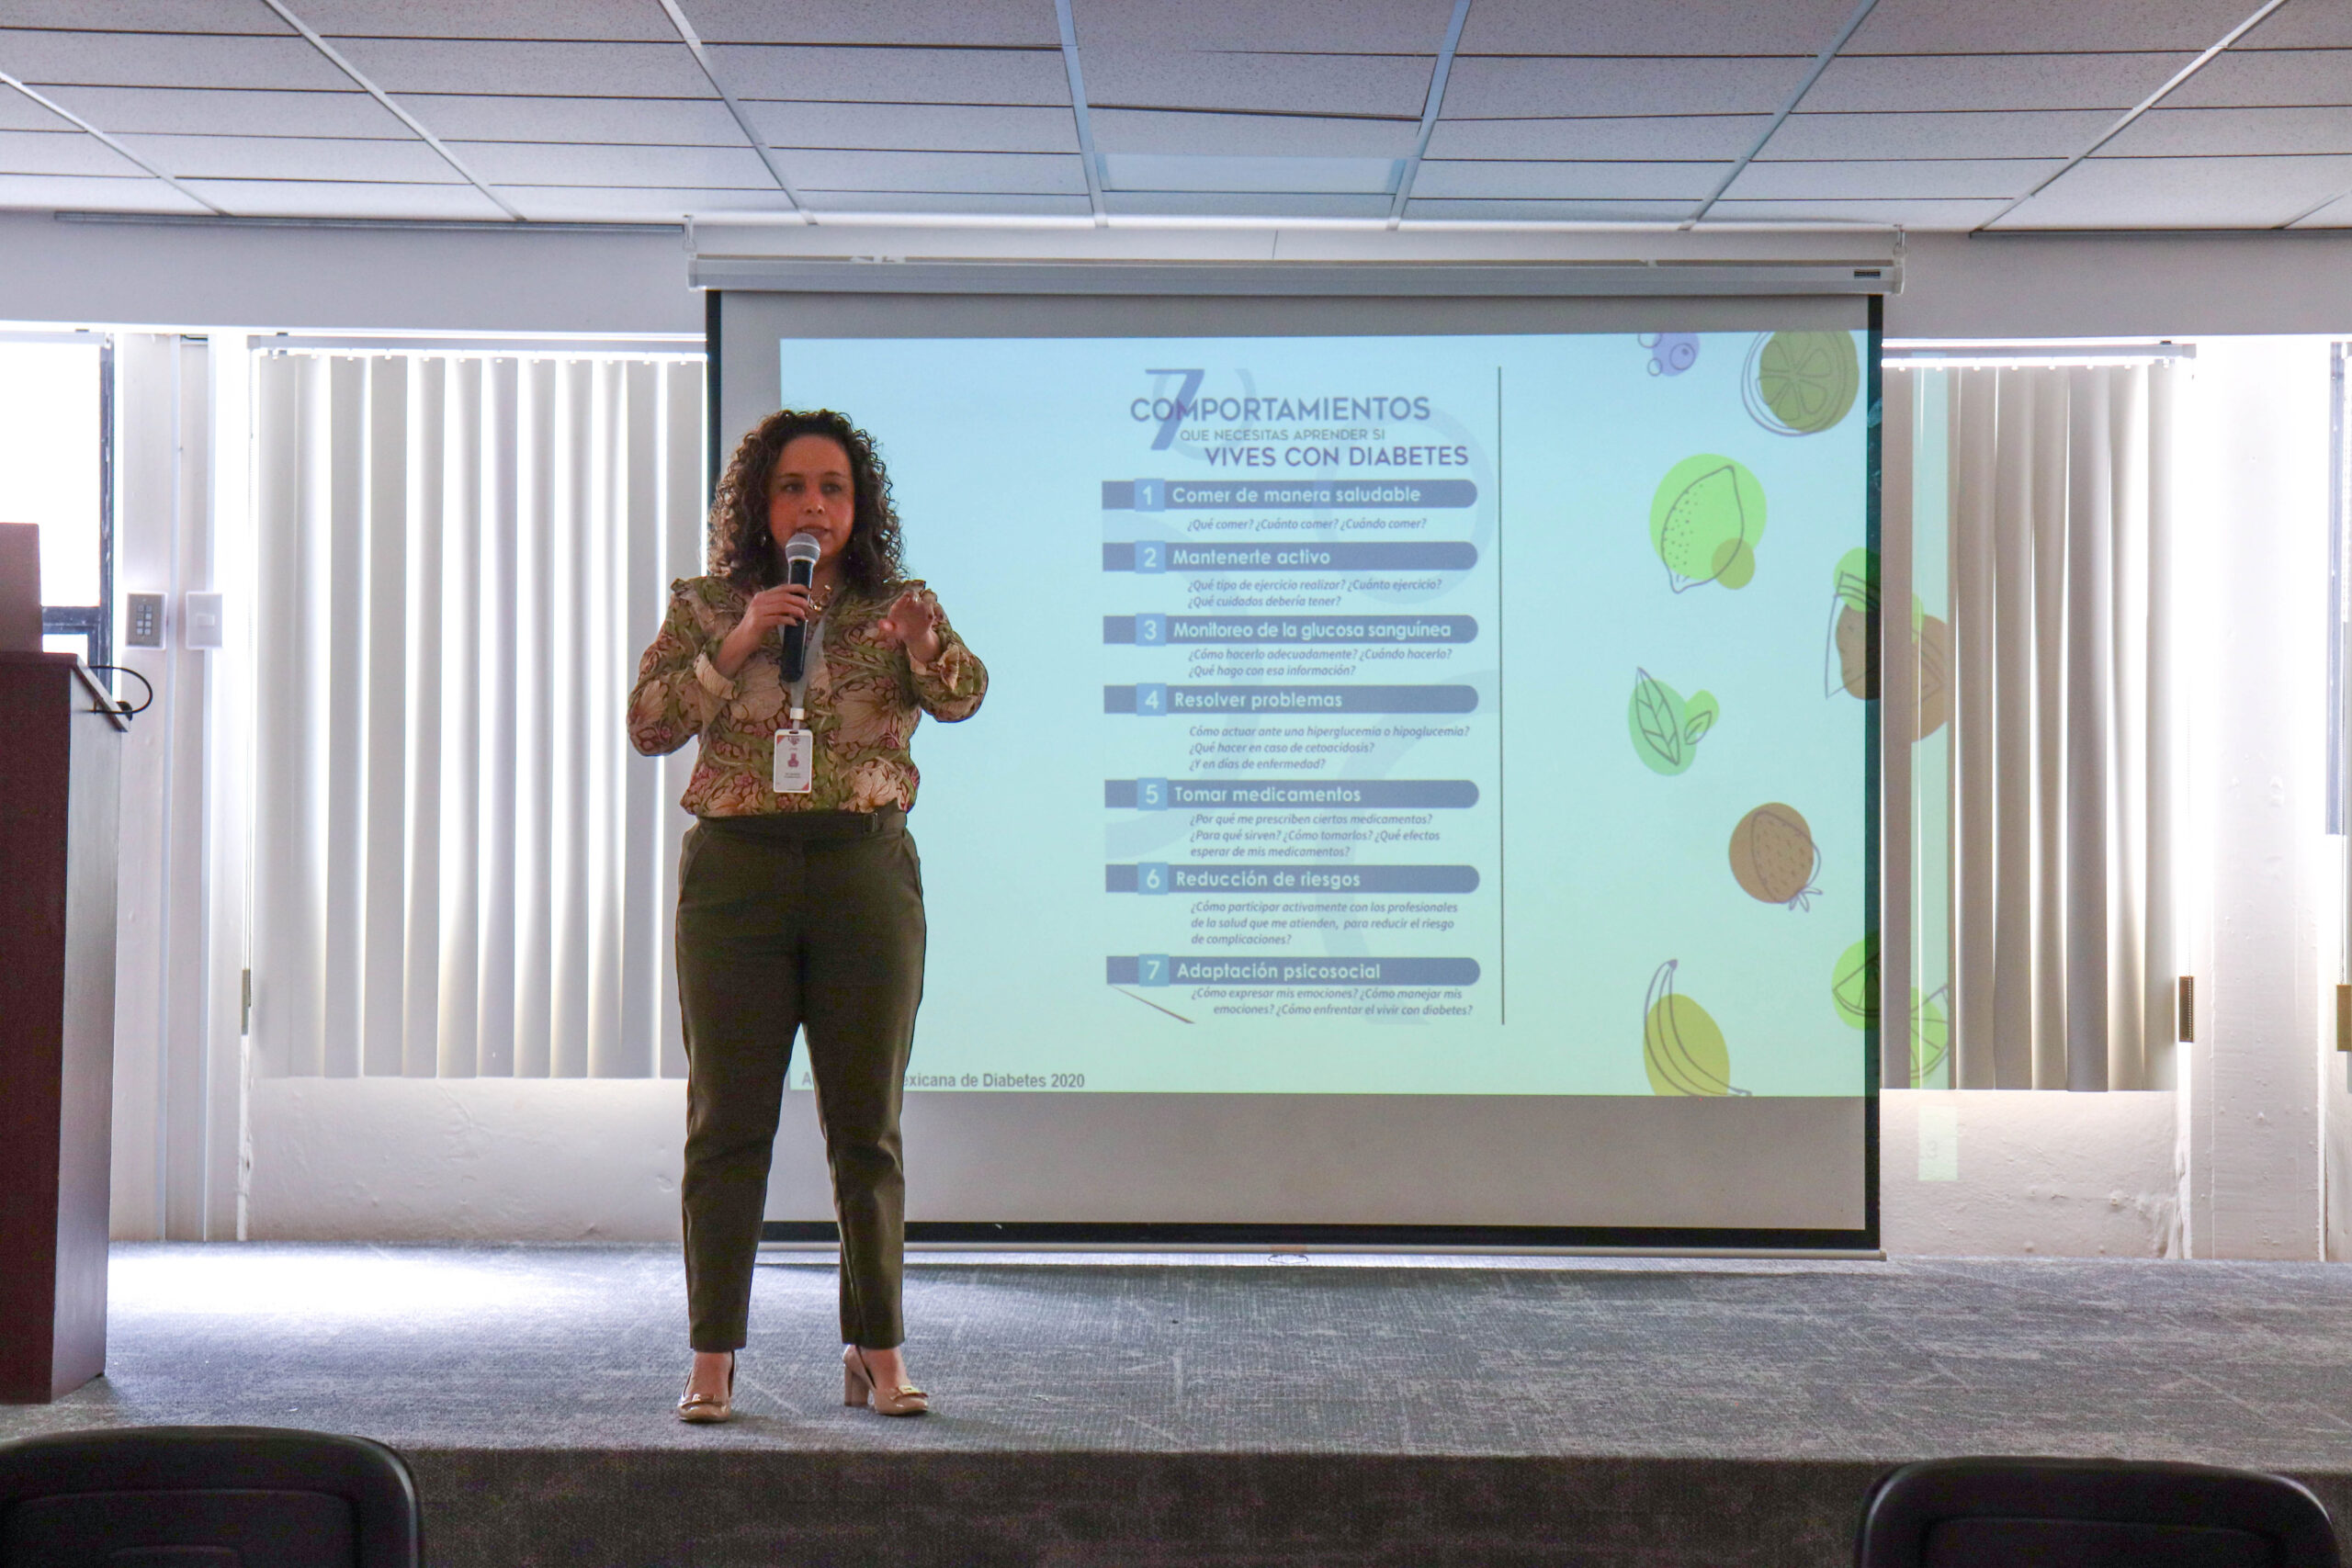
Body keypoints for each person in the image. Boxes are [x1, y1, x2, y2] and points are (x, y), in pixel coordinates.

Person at [628, 409, 986, 1422]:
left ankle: (877, 1347)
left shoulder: (897, 606)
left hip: (862, 873)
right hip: (735, 881)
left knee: (865, 1128)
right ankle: (712, 1355)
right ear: (761, 502)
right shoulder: (706, 605)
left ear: (858, 506)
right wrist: (741, 637)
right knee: (727, 1124)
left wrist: (926, 646)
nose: (814, 506)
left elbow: (963, 697)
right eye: (793, 487)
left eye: (833, 488)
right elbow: (649, 724)